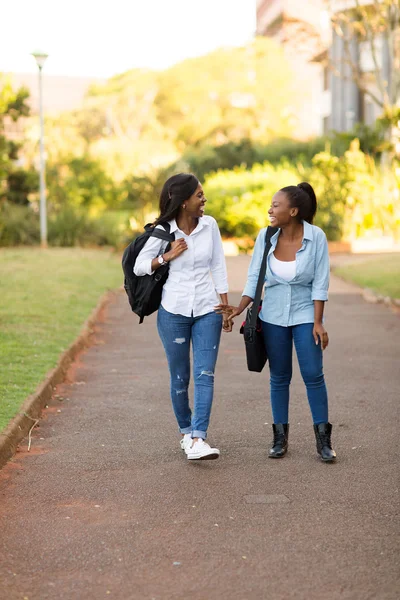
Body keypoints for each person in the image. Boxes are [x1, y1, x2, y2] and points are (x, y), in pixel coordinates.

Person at [216, 182, 337, 462]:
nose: (270, 209)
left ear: (293, 211)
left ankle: (324, 441)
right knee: (279, 377)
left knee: (313, 374)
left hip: (306, 312)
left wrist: (318, 323)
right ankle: (280, 439)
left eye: (276, 205)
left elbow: (321, 282)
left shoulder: (316, 237)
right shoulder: (266, 236)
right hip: (271, 315)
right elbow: (254, 277)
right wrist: (240, 307)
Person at [134, 173, 231, 461]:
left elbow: (219, 265)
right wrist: (167, 256)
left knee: (205, 375)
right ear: (184, 202)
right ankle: (186, 432)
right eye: (199, 195)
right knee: (180, 377)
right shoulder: (164, 230)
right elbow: (140, 266)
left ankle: (199, 438)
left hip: (208, 310)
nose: (204, 200)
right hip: (173, 312)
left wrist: (225, 307)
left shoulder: (210, 225)